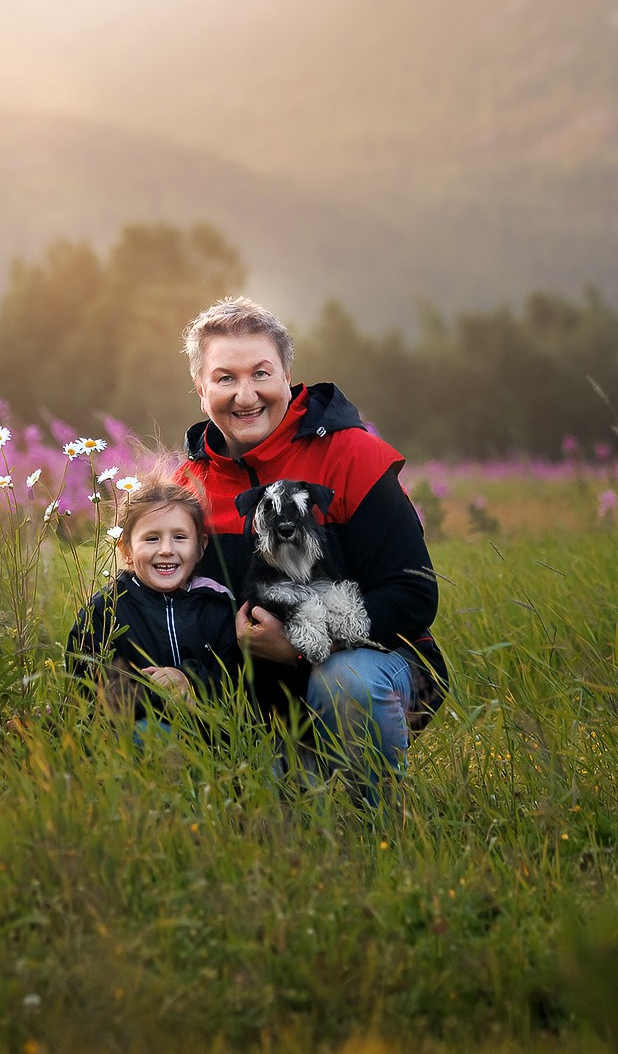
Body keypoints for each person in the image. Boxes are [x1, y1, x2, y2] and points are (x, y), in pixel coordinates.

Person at [177, 296, 447, 787]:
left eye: (261, 373)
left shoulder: (351, 455)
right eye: (225, 378)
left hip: (377, 664)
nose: (245, 395)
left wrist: (302, 645)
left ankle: (377, 825)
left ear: (287, 377)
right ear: (200, 389)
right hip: (253, 693)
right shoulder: (185, 489)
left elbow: (413, 595)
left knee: (348, 683)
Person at [66, 473, 245, 727]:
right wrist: (157, 692)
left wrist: (189, 681)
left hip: (210, 735)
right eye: (152, 538)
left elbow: (234, 682)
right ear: (126, 550)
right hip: (135, 735)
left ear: (200, 547)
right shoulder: (106, 609)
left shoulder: (217, 604)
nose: (166, 549)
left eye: (180, 537)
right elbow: (83, 688)